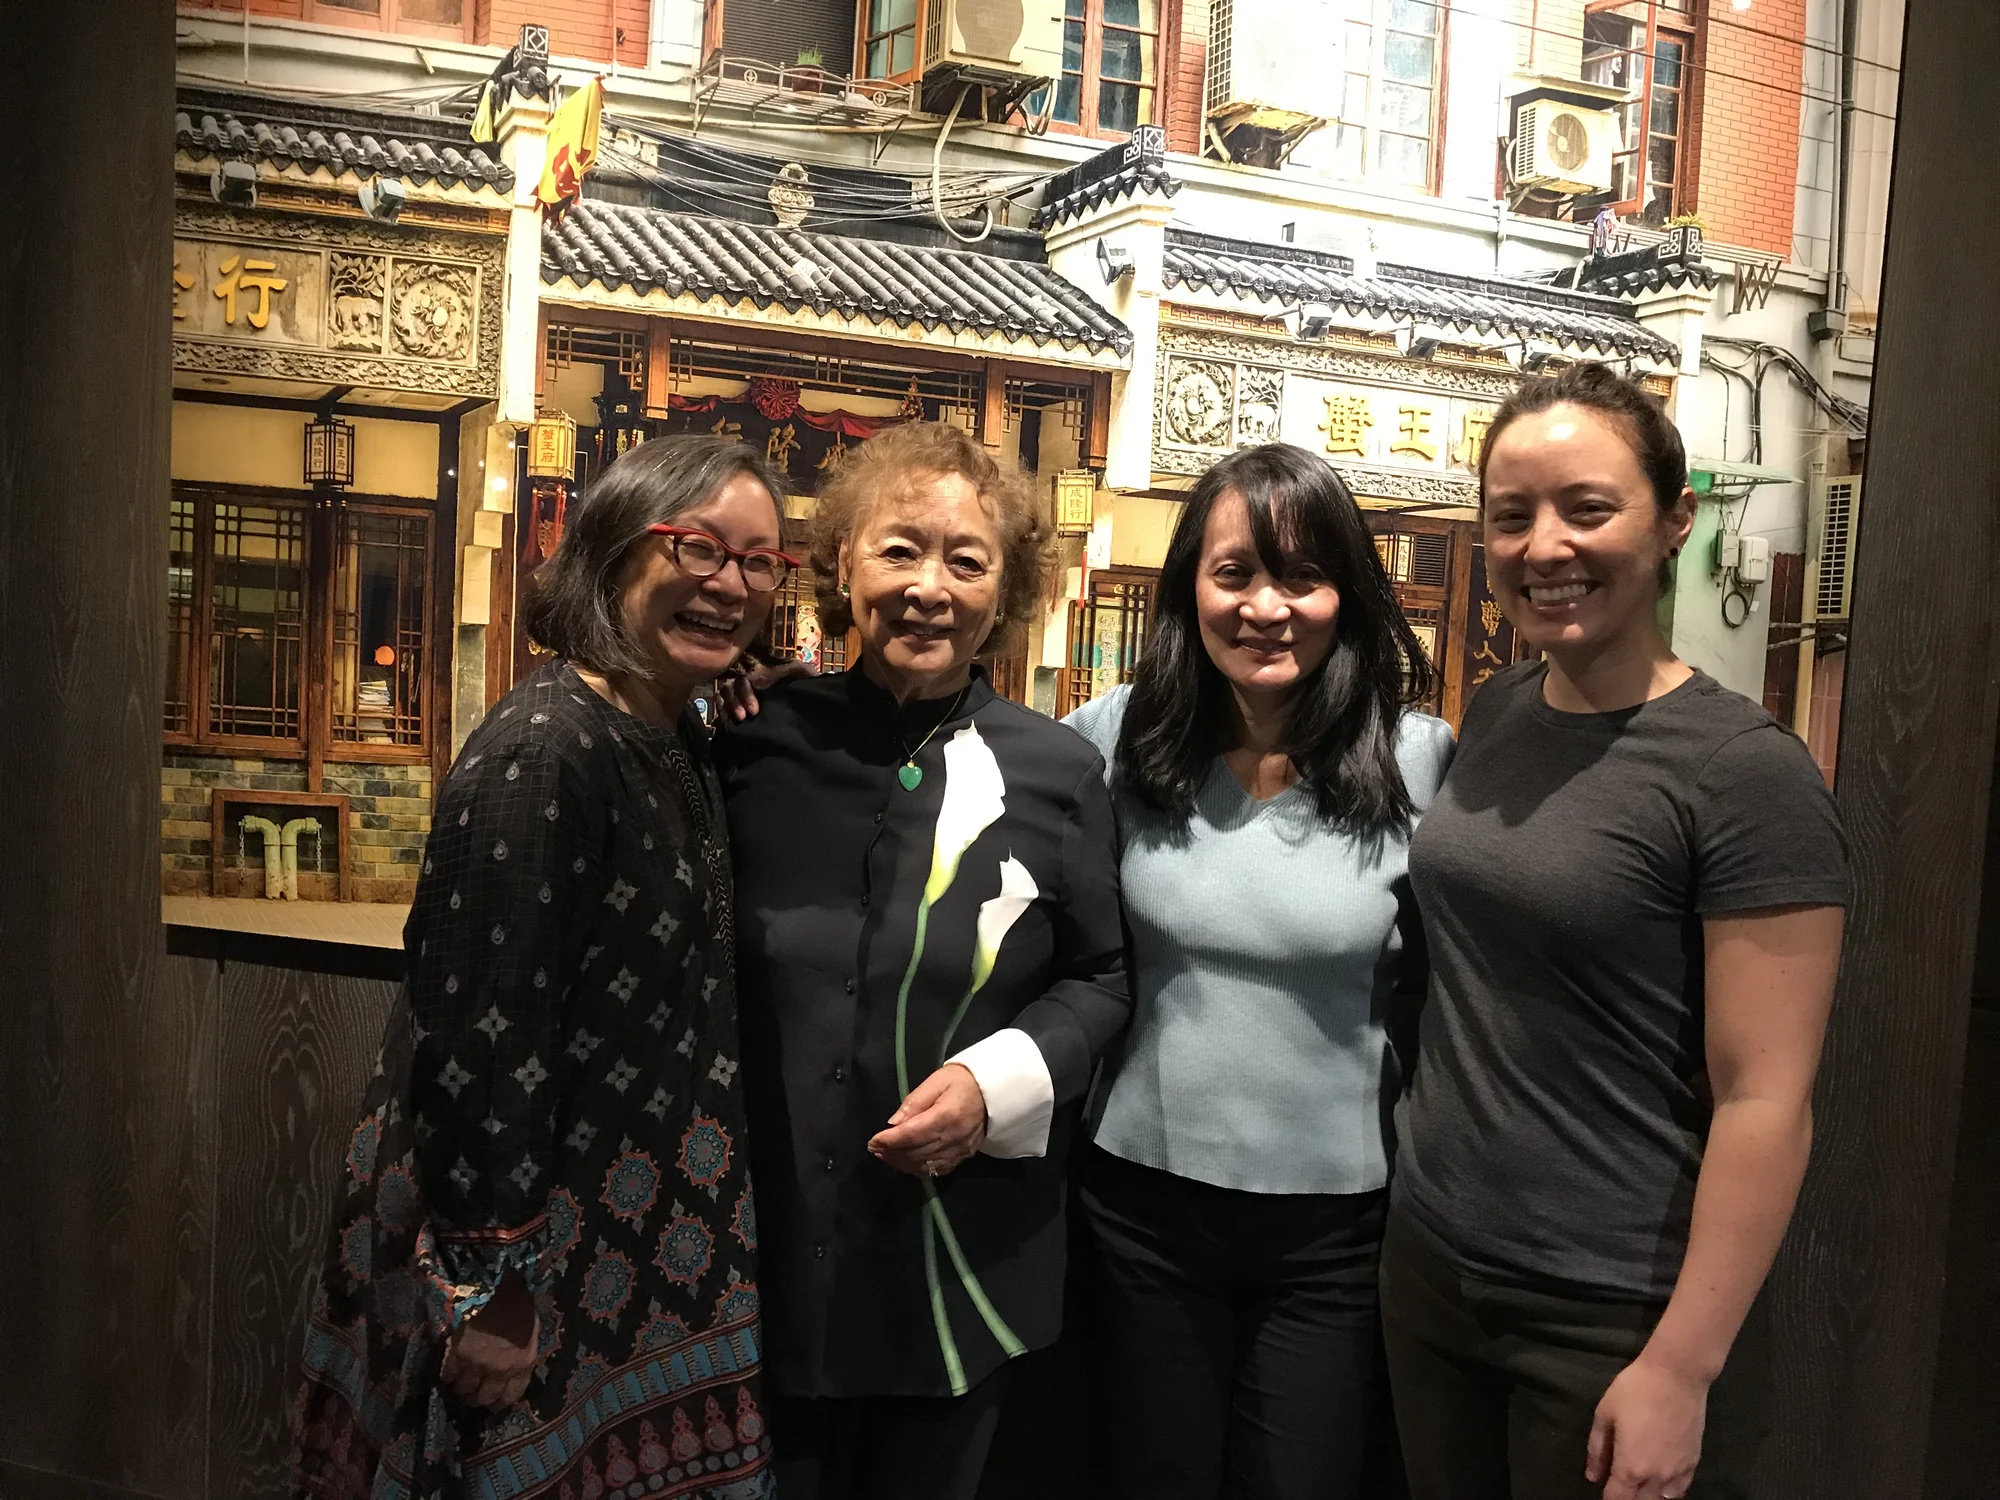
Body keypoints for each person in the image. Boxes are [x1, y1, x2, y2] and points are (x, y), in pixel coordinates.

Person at [1382, 363, 1850, 1500]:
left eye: (1585, 508)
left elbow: (1763, 1101)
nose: (1544, 546)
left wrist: (1680, 1367)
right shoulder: (1494, 709)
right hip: (1434, 1267)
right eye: (1511, 515)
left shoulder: (1742, 774)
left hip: (1607, 1313)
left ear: (1673, 519)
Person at [294, 436, 794, 1500]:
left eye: (760, 563)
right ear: (615, 550)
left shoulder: (670, 726)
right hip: (529, 1255)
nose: (730, 584)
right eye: (698, 547)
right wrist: (489, 1288)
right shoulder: (543, 751)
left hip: (637, 1236)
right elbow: (481, 1041)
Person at [714, 420, 1132, 1500]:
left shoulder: (1058, 771)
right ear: (840, 563)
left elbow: (1103, 979)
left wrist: (998, 1087)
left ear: (1007, 589)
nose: (927, 588)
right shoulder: (748, 742)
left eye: (965, 559)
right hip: (751, 1250)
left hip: (956, 1262)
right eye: (898, 549)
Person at [1062, 443, 1454, 1499]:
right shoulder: (1118, 734)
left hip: (1332, 1229)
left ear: (1347, 595)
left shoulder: (1421, 757)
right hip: (1137, 1206)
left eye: (1300, 577)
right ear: (1188, 585)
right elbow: (974, 776)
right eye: (1233, 574)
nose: (1264, 607)